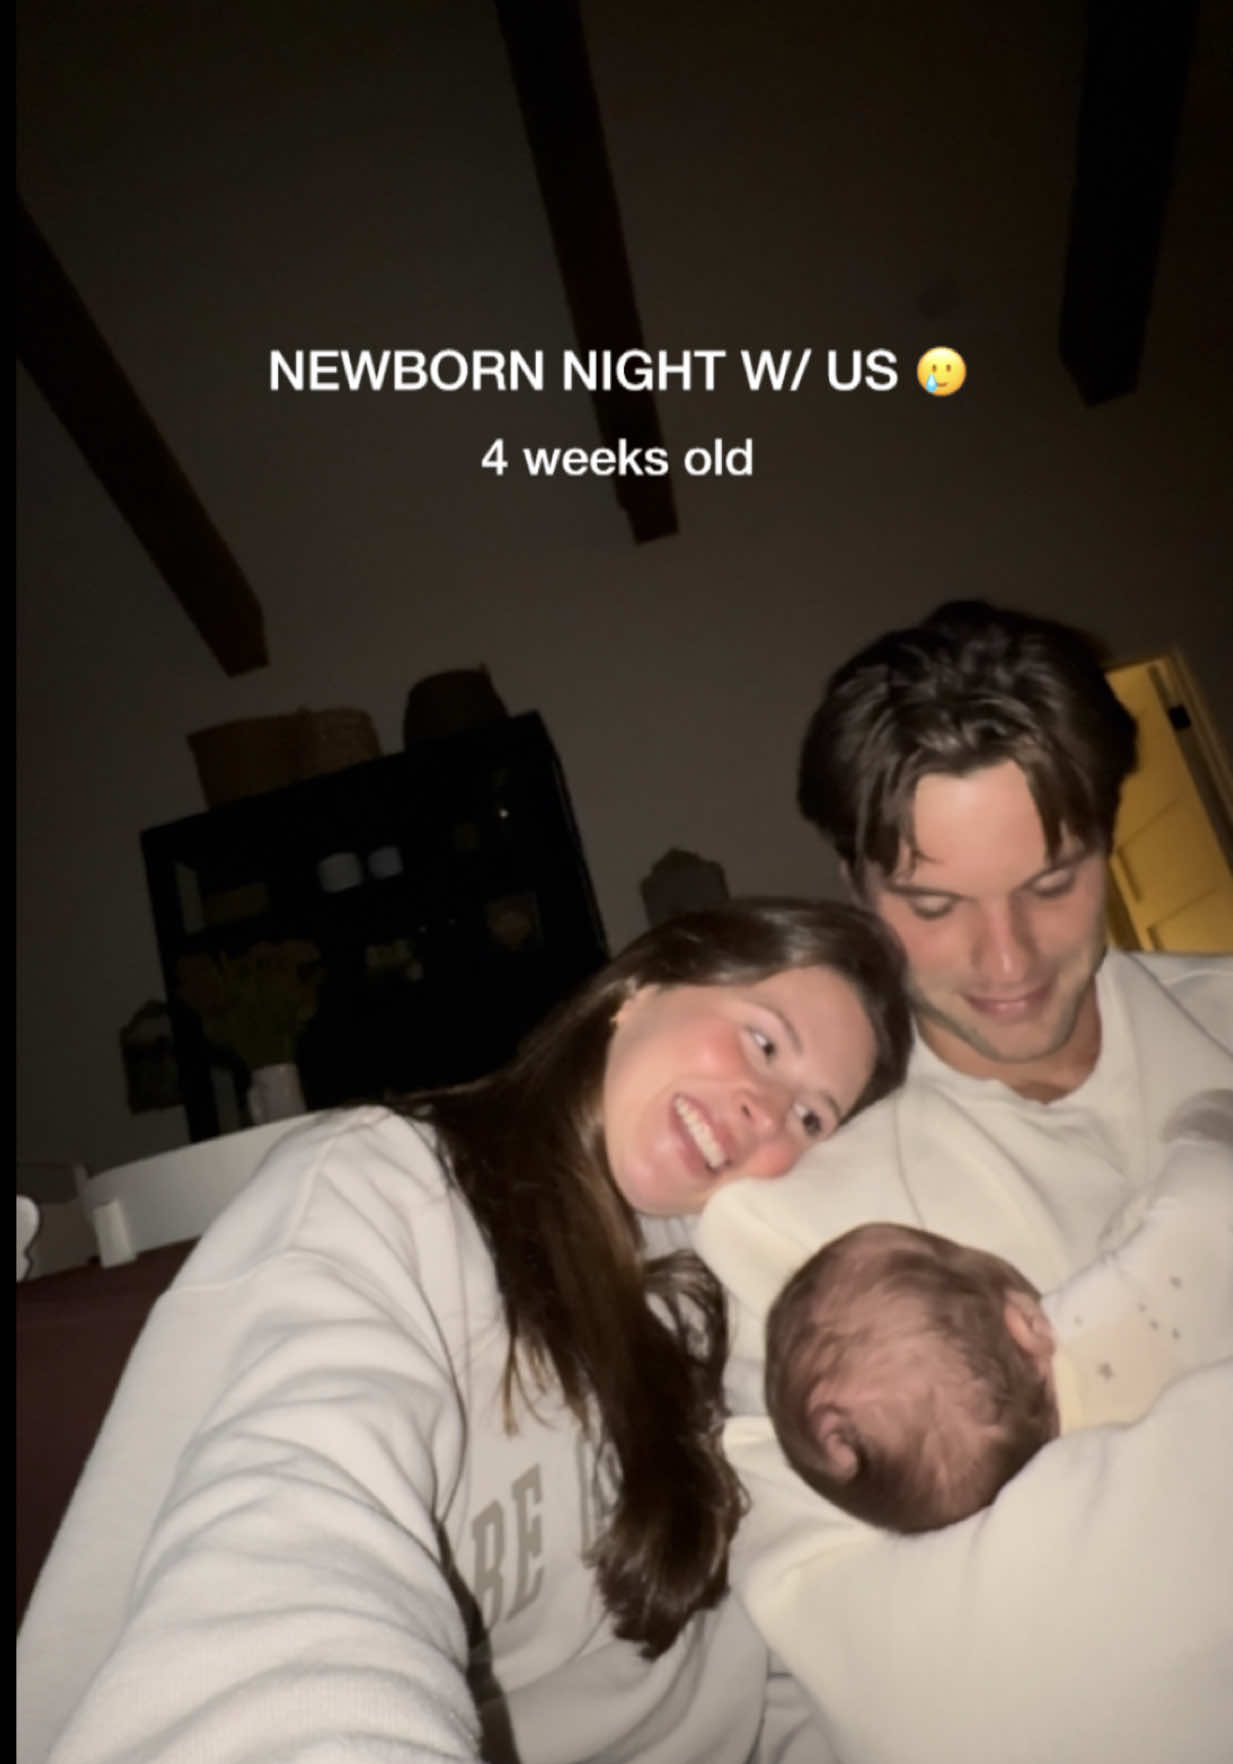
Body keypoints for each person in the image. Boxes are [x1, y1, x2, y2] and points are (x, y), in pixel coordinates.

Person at [17, 897, 911, 1764]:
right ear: (640, 990)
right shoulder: (384, 1191)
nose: (765, 1109)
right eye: (762, 1041)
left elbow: (787, 1633)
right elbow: (290, 1533)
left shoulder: (740, 1298)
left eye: (810, 1117)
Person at [697, 601, 1233, 1764]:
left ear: (1108, 836)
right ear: (856, 885)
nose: (1007, 960)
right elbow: (928, 1700)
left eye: (1053, 881)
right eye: (935, 905)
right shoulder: (783, 1231)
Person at [764, 1091, 1233, 1533]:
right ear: (1027, 1324)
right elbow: (1211, 1189)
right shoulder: (1122, 1306)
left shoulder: (1085, 1497)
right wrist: (1195, 1120)